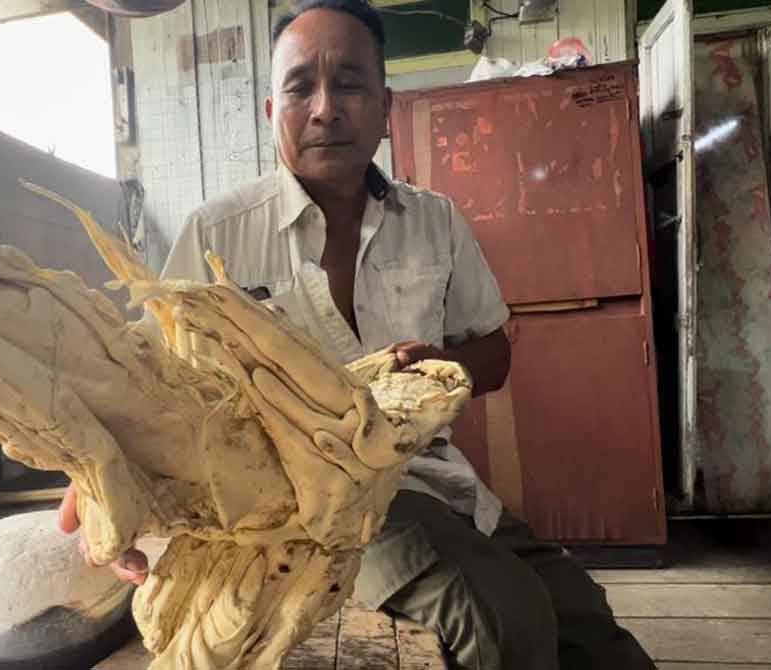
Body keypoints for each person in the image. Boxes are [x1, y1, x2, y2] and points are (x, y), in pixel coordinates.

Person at [60, 1, 655, 667]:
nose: (325, 110)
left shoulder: (434, 222)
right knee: (501, 620)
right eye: (299, 88)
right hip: (309, 512)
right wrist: (98, 471)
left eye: (348, 84)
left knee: (592, 629)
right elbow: (142, 382)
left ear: (384, 106)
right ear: (271, 111)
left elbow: (493, 353)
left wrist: (442, 369)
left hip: (434, 480)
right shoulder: (216, 233)